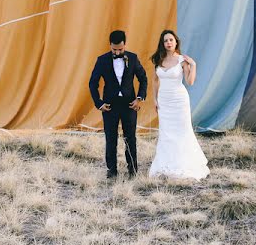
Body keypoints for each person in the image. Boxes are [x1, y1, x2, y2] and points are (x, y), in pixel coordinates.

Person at [148, 29, 209, 180]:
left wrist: (193, 65)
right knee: (166, 132)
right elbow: (155, 81)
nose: (168, 43)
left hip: (179, 100)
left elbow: (190, 81)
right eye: (166, 41)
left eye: (171, 40)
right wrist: (155, 99)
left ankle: (184, 164)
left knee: (182, 131)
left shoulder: (182, 60)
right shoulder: (159, 60)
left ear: (176, 42)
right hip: (164, 101)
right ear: (162, 44)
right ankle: (166, 165)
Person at [88, 29, 147, 179]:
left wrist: (139, 98)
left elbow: (143, 78)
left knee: (130, 138)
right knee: (110, 138)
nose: (117, 52)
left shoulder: (133, 58)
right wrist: (99, 103)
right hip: (110, 107)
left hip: (129, 105)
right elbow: (92, 83)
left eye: (120, 49)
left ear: (125, 45)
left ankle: (133, 171)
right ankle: (112, 171)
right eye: (114, 49)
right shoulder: (102, 60)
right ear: (110, 46)